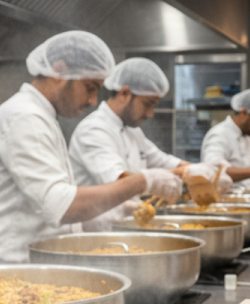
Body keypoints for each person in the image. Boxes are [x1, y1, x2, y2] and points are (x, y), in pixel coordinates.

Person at [0, 32, 183, 265]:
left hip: (34, 270)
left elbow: (47, 205)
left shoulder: (42, 116)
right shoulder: (24, 116)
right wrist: (143, 181)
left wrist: (106, 213)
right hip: (11, 277)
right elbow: (60, 207)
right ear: (60, 71)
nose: (94, 100)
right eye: (90, 87)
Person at [69, 57, 228, 231]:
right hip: (100, 232)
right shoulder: (94, 130)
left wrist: (205, 172)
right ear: (124, 94)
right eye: (147, 104)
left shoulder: (132, 130)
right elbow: (120, 181)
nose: (151, 114)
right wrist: (175, 176)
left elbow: (163, 160)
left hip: (129, 226)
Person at [200, 88, 250, 188]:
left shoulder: (247, 138)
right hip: (225, 201)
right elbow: (214, 170)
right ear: (243, 113)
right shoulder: (219, 135)